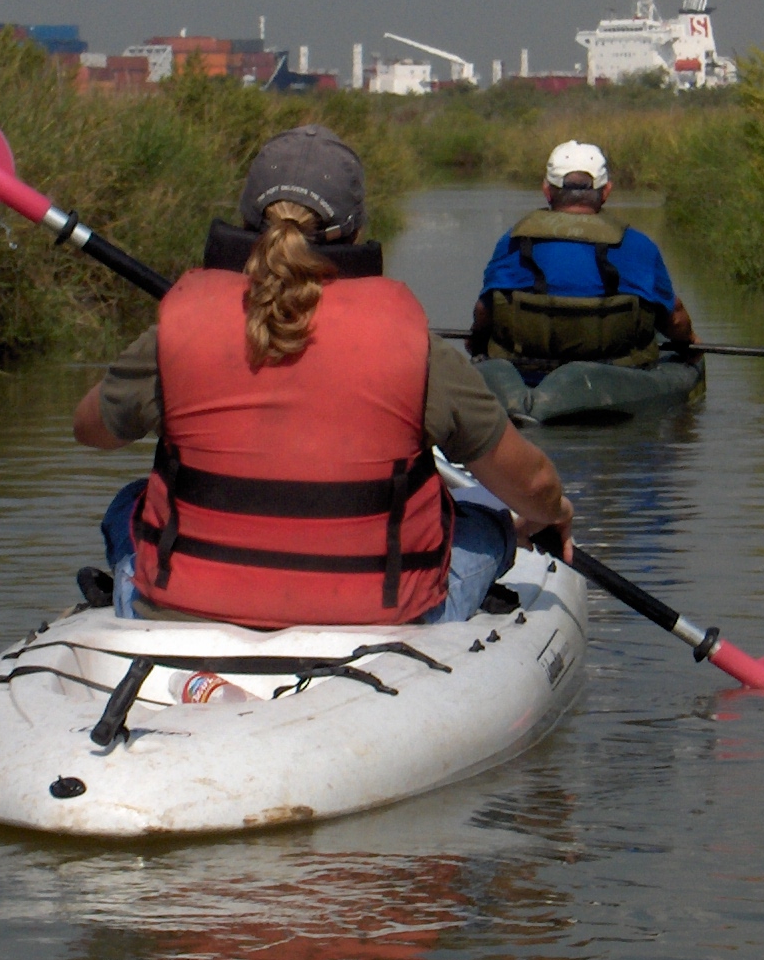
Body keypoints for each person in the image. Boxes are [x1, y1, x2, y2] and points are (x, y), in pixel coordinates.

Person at [74, 124, 573, 627]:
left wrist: (170, 355)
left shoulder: (175, 333)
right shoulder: (421, 351)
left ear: (248, 221)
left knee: (130, 503)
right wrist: (553, 512)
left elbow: (90, 429)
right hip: (373, 614)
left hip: (190, 604)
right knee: (486, 522)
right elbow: (531, 482)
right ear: (356, 230)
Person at [466, 140, 697, 376]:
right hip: (617, 374)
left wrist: (476, 343)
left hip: (526, 373)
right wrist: (691, 345)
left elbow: (484, 311)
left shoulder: (513, 241)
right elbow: (675, 320)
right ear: (606, 191)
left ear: (547, 191)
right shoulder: (638, 245)